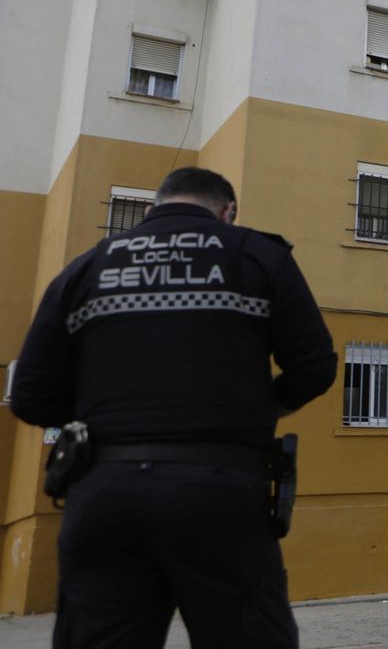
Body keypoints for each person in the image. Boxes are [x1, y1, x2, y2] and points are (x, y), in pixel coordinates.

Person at [11, 167, 337, 649]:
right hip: (221, 490)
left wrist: (103, 417)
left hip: (104, 491)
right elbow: (315, 366)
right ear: (228, 212)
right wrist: (261, 407)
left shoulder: (85, 268)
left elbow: (32, 395)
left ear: (149, 211)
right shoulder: (255, 254)